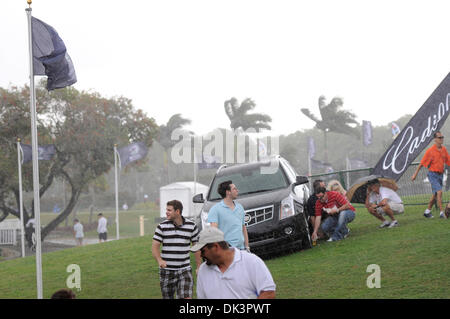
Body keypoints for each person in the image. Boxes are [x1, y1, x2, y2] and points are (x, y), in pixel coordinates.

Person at [191, 226, 276, 299]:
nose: (201, 255)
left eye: (203, 251)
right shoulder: (203, 270)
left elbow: (268, 293)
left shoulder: (251, 261)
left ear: (215, 247)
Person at [152, 200, 202, 299]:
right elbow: (155, 247)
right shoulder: (161, 226)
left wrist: (198, 266)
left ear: (177, 211)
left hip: (184, 270)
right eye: (166, 210)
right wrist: (159, 260)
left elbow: (197, 247)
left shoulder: (191, 226)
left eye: (169, 210)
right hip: (167, 271)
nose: (166, 212)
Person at [411, 131, 450, 219]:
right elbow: (421, 164)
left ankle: (427, 211)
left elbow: (448, 160)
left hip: (440, 175)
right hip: (432, 174)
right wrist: (415, 174)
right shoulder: (430, 151)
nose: (441, 139)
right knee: (439, 192)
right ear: (435, 139)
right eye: (439, 137)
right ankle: (441, 213)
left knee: (435, 194)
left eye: (442, 137)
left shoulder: (444, 149)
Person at [207, 180, 249, 251]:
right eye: (234, 189)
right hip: (227, 250)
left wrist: (247, 247)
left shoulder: (240, 207)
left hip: (242, 250)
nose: (237, 190)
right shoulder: (215, 209)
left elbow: (243, 228)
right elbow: (214, 233)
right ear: (228, 192)